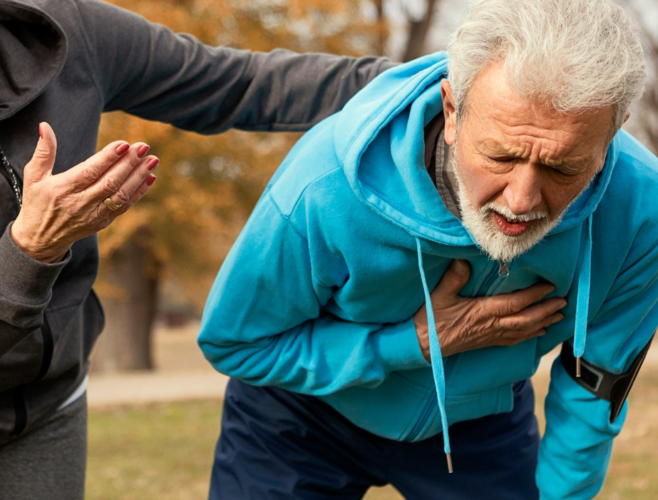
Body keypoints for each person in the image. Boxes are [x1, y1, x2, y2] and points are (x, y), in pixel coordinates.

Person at [0, 0, 395, 498]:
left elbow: (242, 83)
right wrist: (30, 249)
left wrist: (436, 80)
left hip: (51, 405)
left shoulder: (66, 34)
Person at [197, 0, 658, 498]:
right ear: (453, 108)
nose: (522, 201)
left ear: (613, 130)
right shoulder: (322, 185)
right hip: (300, 413)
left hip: (480, 423)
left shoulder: (642, 212)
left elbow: (596, 385)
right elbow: (236, 342)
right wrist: (413, 343)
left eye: (564, 168)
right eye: (500, 156)